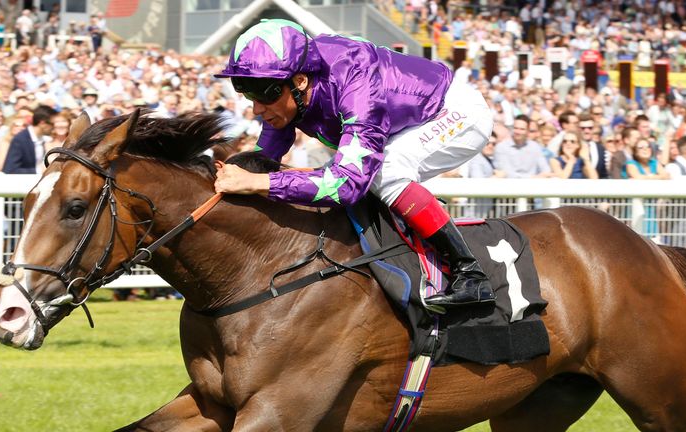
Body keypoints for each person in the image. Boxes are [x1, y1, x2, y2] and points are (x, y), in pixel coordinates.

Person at [212, 19, 496, 307]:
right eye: (249, 93)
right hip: (405, 124)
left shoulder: (354, 79)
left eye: (264, 93)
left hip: (454, 112)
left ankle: (470, 273)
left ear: (300, 81)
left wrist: (258, 182)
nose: (256, 108)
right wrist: (233, 174)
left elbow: (347, 185)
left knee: (385, 171)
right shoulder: (287, 91)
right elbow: (264, 159)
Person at [2, 105, 57, 174]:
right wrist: (38, 171)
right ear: (42, 123)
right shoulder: (20, 139)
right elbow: (10, 170)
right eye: (52, 124)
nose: (54, 127)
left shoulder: (45, 139)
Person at [495, 114, 552, 179]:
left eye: (522, 129)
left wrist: (544, 175)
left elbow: (545, 168)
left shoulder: (535, 146)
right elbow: (505, 173)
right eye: (516, 128)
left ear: (527, 131)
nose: (518, 132)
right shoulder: (501, 147)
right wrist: (533, 177)